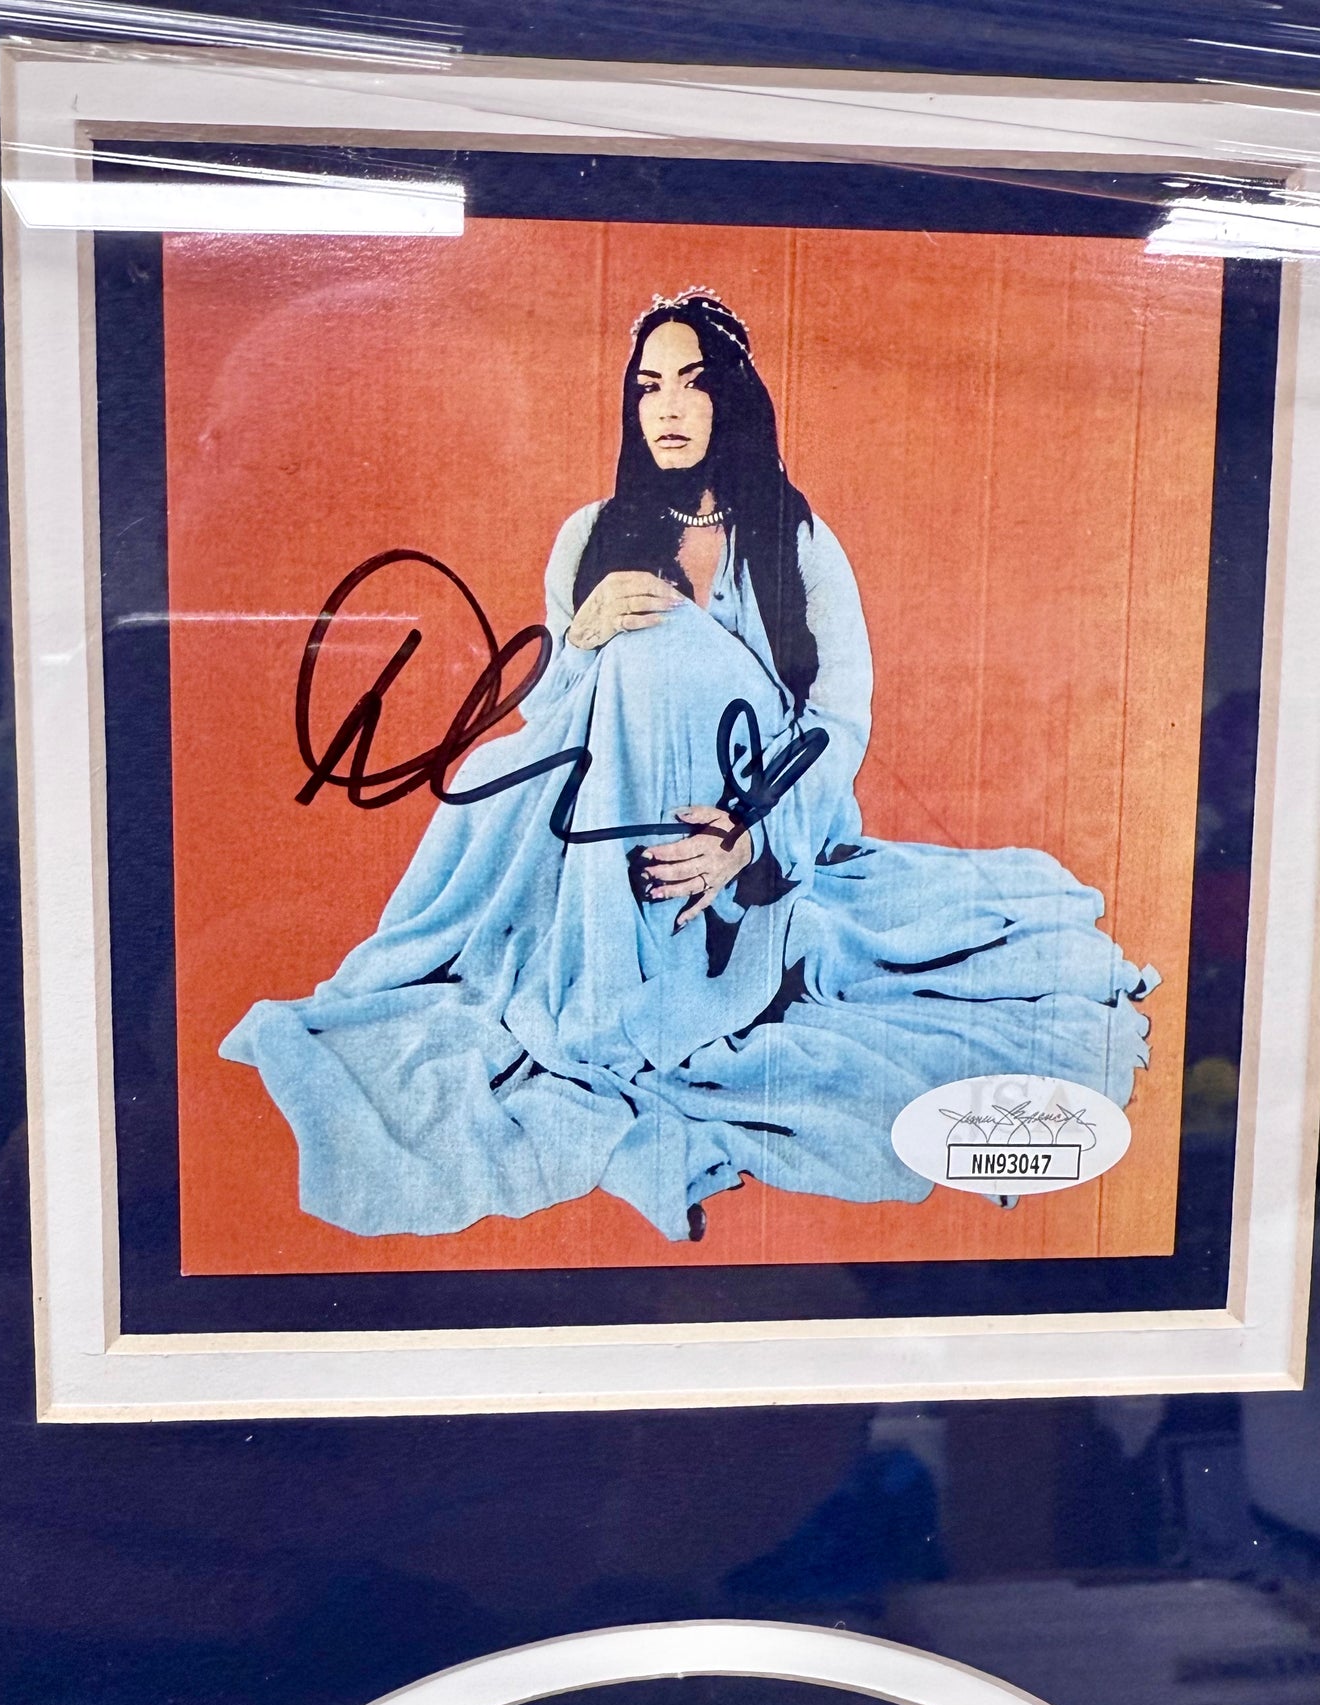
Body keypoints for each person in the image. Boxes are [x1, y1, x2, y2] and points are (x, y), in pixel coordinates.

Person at [224, 290, 1156, 1244]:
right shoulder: (589, 536)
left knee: (666, 647)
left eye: (693, 384)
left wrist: (748, 841)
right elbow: (557, 723)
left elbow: (839, 723)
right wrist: (579, 641)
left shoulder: (798, 540)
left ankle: (684, 980)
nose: (667, 408)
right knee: (591, 688)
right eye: (649, 387)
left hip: (751, 836)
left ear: (733, 400)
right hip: (602, 852)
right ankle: (604, 991)